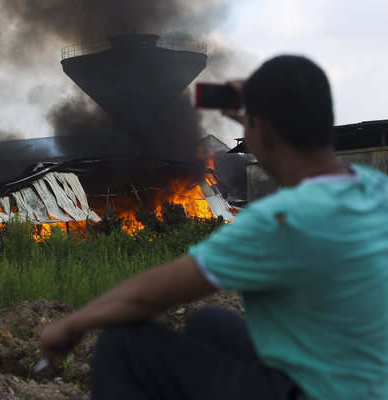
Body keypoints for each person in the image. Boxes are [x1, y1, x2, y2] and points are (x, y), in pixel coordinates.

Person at [39, 55, 388, 399]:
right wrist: (261, 117)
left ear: (261, 131)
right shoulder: (375, 187)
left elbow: (145, 296)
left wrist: (69, 325)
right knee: (209, 322)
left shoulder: (279, 222)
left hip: (315, 391)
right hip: (367, 378)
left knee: (122, 346)